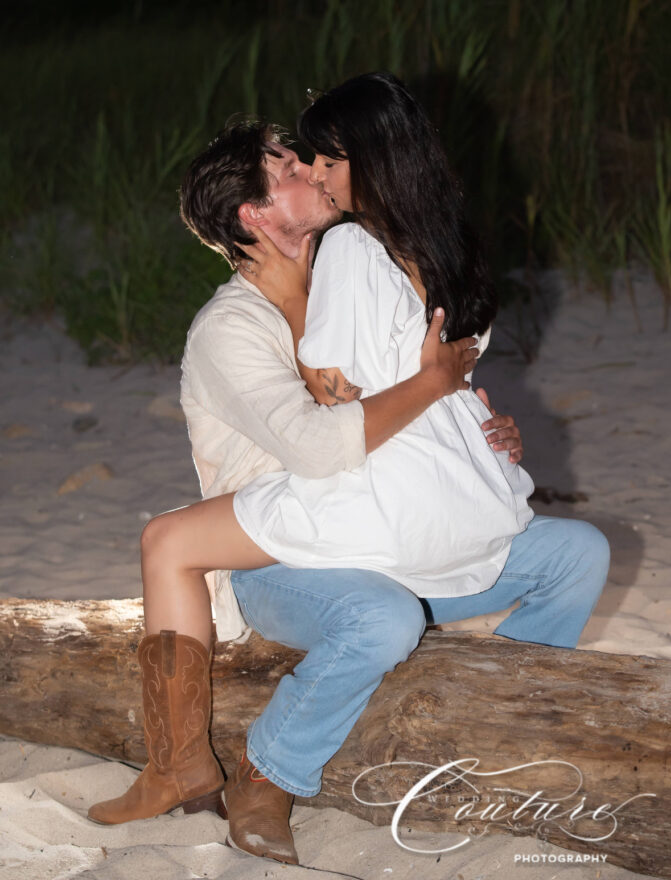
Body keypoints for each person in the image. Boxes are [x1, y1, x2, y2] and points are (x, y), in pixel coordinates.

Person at [88, 75, 609, 866]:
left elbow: (425, 378)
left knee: (576, 555)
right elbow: (321, 447)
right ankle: (264, 779)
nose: (315, 170)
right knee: (382, 619)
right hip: (282, 554)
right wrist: (428, 384)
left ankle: (488, 714)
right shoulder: (231, 330)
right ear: (255, 217)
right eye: (291, 170)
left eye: (315, 159)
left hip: (392, 529)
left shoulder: (367, 264)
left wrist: (471, 419)